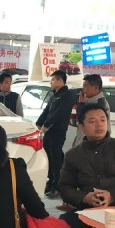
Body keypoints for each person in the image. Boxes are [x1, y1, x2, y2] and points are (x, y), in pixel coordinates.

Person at [36, 70, 76, 199]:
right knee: (48, 156)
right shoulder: (55, 94)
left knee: (55, 159)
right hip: (50, 132)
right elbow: (47, 110)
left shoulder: (67, 95)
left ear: (59, 80)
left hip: (58, 131)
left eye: (53, 80)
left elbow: (58, 113)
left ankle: (57, 186)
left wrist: (46, 125)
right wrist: (39, 123)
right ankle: (51, 181)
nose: (51, 82)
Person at [72, 74, 110, 147]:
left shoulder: (98, 103)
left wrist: (81, 104)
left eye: (86, 86)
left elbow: (81, 120)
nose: (83, 89)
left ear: (96, 88)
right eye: (83, 86)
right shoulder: (89, 101)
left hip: (91, 144)